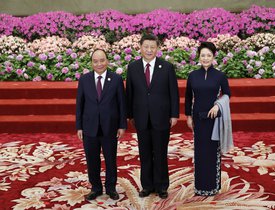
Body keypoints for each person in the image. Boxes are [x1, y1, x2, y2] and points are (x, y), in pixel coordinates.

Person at [126, 34, 179, 199]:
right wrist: (129, 115)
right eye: (146, 47)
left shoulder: (167, 67)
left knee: (161, 153)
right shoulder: (133, 67)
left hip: (162, 117)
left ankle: (162, 186)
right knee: (145, 153)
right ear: (140, 47)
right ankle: (147, 186)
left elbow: (174, 93)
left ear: (157, 49)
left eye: (152, 47)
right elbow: (130, 94)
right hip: (141, 118)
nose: (149, 50)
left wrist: (174, 114)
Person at [76, 49, 127, 200]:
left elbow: (121, 104)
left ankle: (111, 187)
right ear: (91, 63)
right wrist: (79, 126)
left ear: (107, 61)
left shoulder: (116, 79)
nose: (99, 64)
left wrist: (122, 125)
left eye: (102, 60)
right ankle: (96, 187)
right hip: (89, 127)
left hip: (110, 126)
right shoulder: (84, 80)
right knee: (92, 159)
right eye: (96, 61)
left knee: (111, 159)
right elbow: (80, 104)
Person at [185, 42, 232, 196]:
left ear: (213, 57)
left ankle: (212, 186)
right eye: (203, 55)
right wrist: (188, 116)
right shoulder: (192, 75)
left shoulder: (220, 75)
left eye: (208, 55)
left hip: (214, 119)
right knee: (200, 152)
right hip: (198, 118)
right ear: (199, 57)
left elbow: (227, 94)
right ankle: (200, 186)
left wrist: (218, 105)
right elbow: (187, 98)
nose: (205, 58)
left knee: (212, 152)